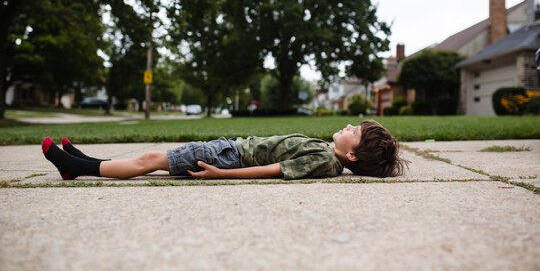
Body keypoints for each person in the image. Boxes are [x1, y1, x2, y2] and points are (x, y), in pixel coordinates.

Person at [42, 119, 409, 181]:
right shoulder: (328, 156)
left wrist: (223, 174)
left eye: (354, 132)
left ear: (354, 156)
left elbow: (274, 171)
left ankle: (75, 166)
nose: (348, 127)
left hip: (226, 157)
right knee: (153, 159)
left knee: (150, 160)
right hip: (227, 151)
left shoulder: (324, 160)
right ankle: (82, 161)